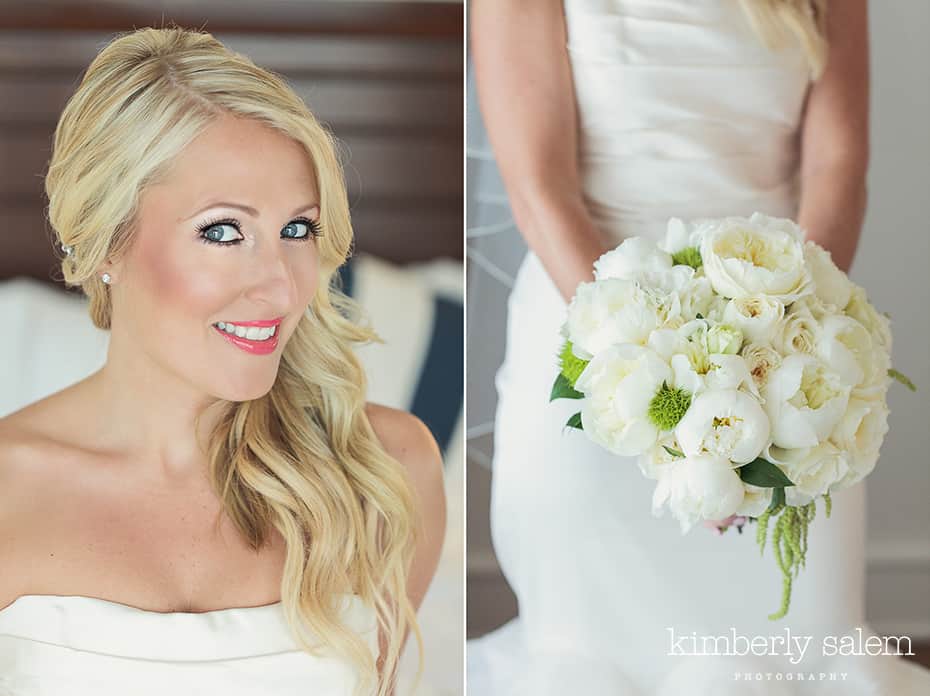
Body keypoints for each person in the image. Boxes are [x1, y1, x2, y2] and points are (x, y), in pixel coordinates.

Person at [467, 1, 930, 693]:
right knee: (590, 653)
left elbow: (838, 164)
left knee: (805, 656)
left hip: (782, 349)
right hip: (594, 345)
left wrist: (774, 355)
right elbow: (542, 191)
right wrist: (658, 380)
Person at [0, 26, 445, 696]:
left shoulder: (381, 470)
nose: (280, 284)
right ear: (104, 247)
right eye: (222, 231)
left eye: (297, 229)